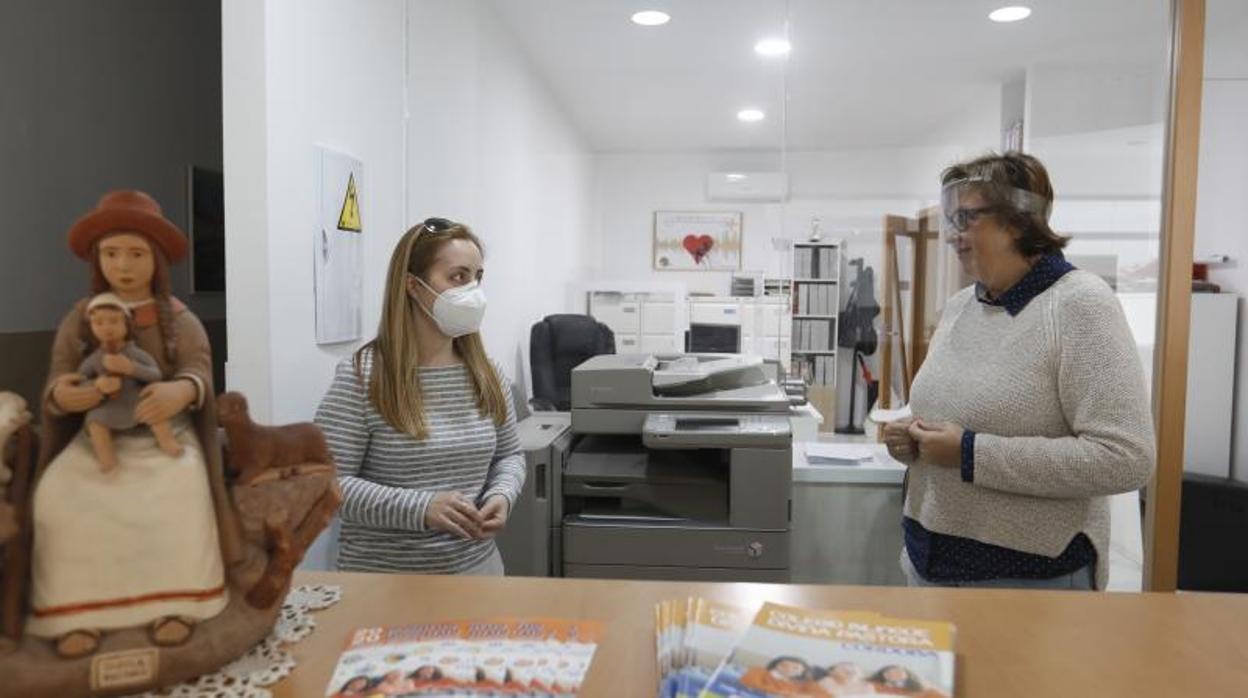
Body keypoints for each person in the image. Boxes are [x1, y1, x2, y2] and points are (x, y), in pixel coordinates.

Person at [882, 152, 1155, 591]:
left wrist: (971, 453)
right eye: (950, 219)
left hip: (1026, 577)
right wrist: (912, 438)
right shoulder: (961, 306)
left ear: (1019, 219)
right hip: (928, 558)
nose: (952, 235)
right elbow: (955, 416)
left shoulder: (1079, 304)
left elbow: (1126, 459)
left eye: (966, 218)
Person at [27, 190, 240, 657]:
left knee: (179, 490)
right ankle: (79, 612)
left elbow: (199, 369)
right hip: (97, 439)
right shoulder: (80, 321)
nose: (123, 264)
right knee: (58, 496)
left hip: (162, 439)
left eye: (137, 253)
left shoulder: (179, 321)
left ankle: (178, 601)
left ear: (157, 259)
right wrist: (70, 395)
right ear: (97, 260)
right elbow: (58, 381)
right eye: (111, 253)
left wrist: (179, 391)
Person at [315, 217, 525, 575]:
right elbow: (323, 484)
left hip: (478, 571)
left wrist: (502, 495)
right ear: (413, 286)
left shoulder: (486, 372)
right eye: (458, 276)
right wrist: (420, 508)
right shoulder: (363, 376)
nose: (472, 290)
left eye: (477, 277)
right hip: (385, 584)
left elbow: (510, 455)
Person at [77, 292, 183, 471]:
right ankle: (107, 459)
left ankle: (167, 442)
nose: (107, 328)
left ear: (127, 324)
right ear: (91, 328)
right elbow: (80, 382)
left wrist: (131, 368)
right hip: (109, 405)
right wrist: (97, 384)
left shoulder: (135, 354)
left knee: (154, 407)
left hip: (135, 399)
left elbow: (155, 374)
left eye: (114, 321)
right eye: (99, 323)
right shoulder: (94, 359)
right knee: (94, 421)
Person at [739, 655, 814, 696]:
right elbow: (749, 682)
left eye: (796, 668)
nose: (789, 668)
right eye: (785, 664)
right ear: (777, 664)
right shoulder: (759, 670)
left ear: (800, 673)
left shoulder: (793, 686)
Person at [866, 665, 947, 698]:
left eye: (898, 672)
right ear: (883, 676)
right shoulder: (875, 686)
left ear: (908, 675)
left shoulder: (925, 690)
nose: (894, 674)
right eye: (889, 673)